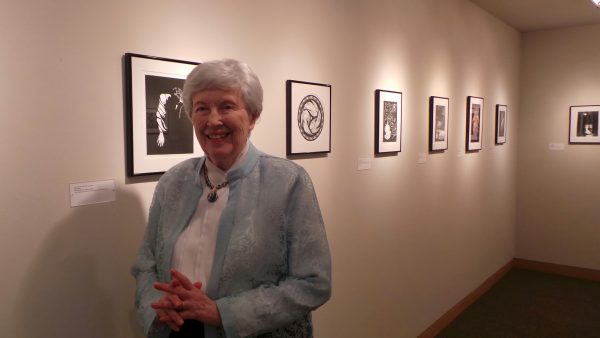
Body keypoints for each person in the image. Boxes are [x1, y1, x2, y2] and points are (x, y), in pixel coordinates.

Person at [132, 59, 332, 338]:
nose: (213, 120)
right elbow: (145, 264)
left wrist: (224, 313)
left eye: (227, 106)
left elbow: (313, 283)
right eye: (202, 108)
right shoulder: (173, 182)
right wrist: (156, 307)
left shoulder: (288, 182)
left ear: (252, 117)